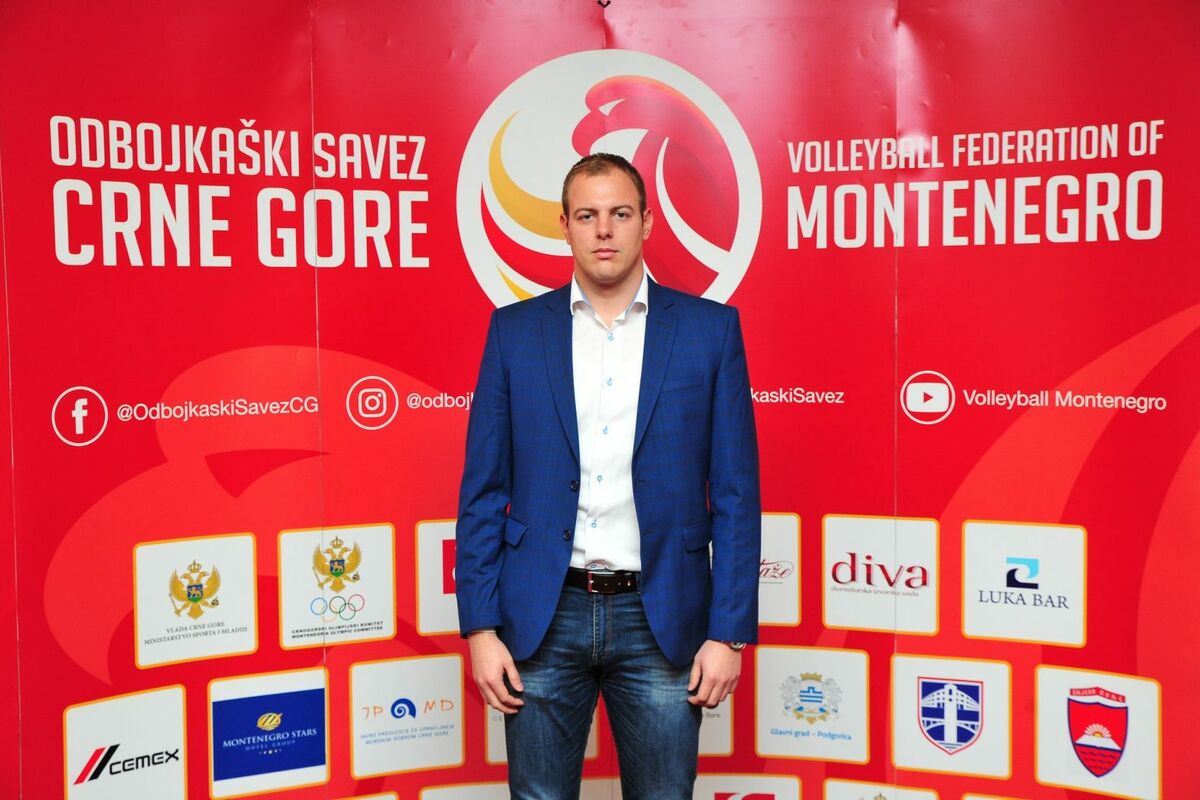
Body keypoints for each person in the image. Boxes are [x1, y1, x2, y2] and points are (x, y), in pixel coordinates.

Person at [455, 152, 760, 799]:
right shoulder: (514, 333)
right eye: (587, 215)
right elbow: (483, 492)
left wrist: (728, 634)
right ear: (563, 225)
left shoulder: (710, 332)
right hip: (543, 614)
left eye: (620, 213)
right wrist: (480, 629)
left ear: (646, 222)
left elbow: (736, 494)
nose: (603, 230)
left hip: (663, 615)